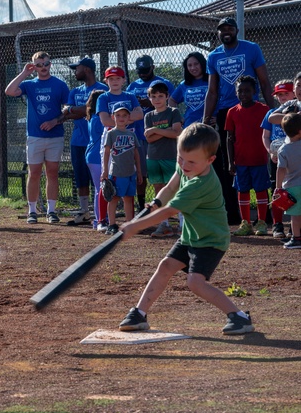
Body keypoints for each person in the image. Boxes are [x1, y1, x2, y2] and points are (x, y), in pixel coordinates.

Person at [116, 123, 254, 336]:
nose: (184, 164)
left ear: (210, 160)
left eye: (191, 161)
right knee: (165, 266)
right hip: (191, 236)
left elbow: (170, 212)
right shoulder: (186, 165)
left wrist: (135, 226)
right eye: (181, 158)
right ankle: (139, 313)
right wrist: (156, 202)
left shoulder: (200, 184)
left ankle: (239, 316)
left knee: (195, 283)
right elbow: (171, 186)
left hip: (211, 240)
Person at [203, 17, 275, 225]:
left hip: (252, 109)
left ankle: (266, 215)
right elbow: (212, 90)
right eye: (222, 29)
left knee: (261, 156)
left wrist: (273, 112)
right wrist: (205, 120)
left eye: (230, 28)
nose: (226, 31)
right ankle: (234, 215)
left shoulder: (251, 48)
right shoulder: (213, 56)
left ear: (236, 30)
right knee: (229, 163)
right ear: (218, 33)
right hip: (227, 112)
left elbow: (264, 81)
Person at [5, 52, 70, 224]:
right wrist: (24, 73)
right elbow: (9, 91)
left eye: (46, 64)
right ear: (34, 66)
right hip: (34, 137)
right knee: (34, 173)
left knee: (52, 173)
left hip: (55, 136)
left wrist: (55, 121)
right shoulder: (29, 84)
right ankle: (32, 211)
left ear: (50, 64)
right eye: (39, 65)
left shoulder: (60, 85)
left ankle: (52, 211)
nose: (43, 68)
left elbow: (68, 109)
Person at [61, 57, 106, 224]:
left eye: (77, 68)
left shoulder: (102, 89)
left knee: (98, 177)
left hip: (96, 141)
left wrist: (73, 109)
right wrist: (75, 111)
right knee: (80, 177)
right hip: (78, 141)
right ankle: (84, 211)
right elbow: (69, 114)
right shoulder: (75, 91)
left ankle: (100, 210)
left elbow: (77, 110)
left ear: (87, 69)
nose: (75, 72)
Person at [127, 55, 175, 211]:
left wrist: (150, 103)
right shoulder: (132, 86)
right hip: (139, 134)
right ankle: (142, 208)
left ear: (153, 67)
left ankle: (167, 208)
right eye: (140, 71)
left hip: (162, 137)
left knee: (166, 175)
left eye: (146, 70)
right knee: (141, 174)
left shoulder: (163, 83)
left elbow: (172, 105)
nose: (143, 74)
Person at [225, 75, 271, 236]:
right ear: (236, 92)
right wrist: (231, 162)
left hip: (259, 159)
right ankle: (245, 223)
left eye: (247, 91)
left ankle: (262, 222)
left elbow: (269, 134)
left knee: (261, 190)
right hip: (241, 160)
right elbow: (229, 138)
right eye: (240, 91)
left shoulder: (264, 110)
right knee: (242, 190)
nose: (243, 94)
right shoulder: (232, 112)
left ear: (254, 91)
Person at [143, 81, 183, 238]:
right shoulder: (148, 116)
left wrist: (154, 130)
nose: (157, 99)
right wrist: (165, 131)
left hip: (170, 157)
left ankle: (182, 224)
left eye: (160, 96)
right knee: (159, 190)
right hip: (153, 157)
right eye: (153, 96)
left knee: (174, 190)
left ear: (167, 97)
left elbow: (176, 133)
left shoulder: (173, 112)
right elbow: (149, 139)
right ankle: (164, 224)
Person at [261, 81, 296, 238]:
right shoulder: (272, 113)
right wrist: (270, 152)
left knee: (294, 188)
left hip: (295, 157)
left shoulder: (297, 112)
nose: (282, 97)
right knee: (277, 188)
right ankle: (277, 224)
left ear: (293, 93)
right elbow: (265, 136)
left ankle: (293, 226)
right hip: (277, 157)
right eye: (279, 95)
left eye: (286, 94)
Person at [101, 103, 141, 236]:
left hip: (131, 172)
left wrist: (139, 172)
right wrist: (105, 171)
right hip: (117, 172)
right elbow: (106, 153)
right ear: (113, 117)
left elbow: (136, 154)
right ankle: (112, 224)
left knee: (129, 198)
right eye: (118, 115)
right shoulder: (111, 133)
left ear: (129, 117)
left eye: (124, 115)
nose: (121, 118)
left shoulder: (131, 134)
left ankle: (129, 224)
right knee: (114, 198)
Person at [274, 112, 301, 249]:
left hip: (292, 187)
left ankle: (296, 238)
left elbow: (281, 169)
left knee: (295, 216)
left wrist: (278, 187)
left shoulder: (283, 149)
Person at [83, 89, 108, 231]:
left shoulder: (92, 116)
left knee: (100, 189)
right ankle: (100, 219)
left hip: (93, 156)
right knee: (101, 189)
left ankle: (100, 218)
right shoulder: (98, 118)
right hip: (96, 156)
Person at [169, 51, 209, 126]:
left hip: (209, 125)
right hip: (189, 125)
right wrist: (178, 117)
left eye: (196, 64)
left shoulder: (212, 80)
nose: (193, 68)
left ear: (202, 63)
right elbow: (172, 100)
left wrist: (218, 116)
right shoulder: (184, 84)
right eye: (189, 65)